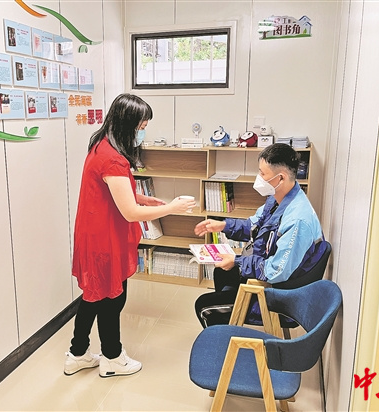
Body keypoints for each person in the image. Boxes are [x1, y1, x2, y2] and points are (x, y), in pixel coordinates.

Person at [64, 93, 196, 377]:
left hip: (95, 234)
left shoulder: (100, 146)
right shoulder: (113, 159)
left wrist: (147, 200)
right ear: (127, 125)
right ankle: (112, 358)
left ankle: (77, 353)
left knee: (93, 296)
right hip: (105, 239)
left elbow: (115, 194)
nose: (143, 133)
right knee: (112, 299)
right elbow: (130, 213)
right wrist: (171, 208)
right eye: (141, 127)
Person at [194, 143, 327, 328]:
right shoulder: (278, 200)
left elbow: (276, 272)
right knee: (222, 272)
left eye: (263, 174)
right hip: (271, 279)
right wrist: (223, 225)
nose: (259, 178)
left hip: (279, 297)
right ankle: (230, 324)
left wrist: (237, 261)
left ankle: (225, 336)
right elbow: (254, 225)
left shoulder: (297, 221)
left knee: (204, 307)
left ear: (281, 178)